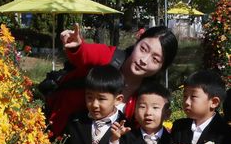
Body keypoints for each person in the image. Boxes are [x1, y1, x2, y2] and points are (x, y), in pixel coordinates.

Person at [47, 23, 178, 137]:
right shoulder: (111, 58)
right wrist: (77, 46)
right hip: (60, 131)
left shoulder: (148, 95)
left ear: (162, 68)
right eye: (143, 49)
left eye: (155, 59)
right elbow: (87, 53)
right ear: (137, 42)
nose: (144, 60)